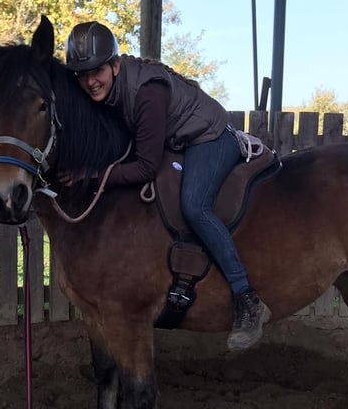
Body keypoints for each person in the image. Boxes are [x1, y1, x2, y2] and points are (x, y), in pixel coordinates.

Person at [64, 20, 270, 351]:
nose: (89, 81)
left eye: (97, 71)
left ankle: (246, 298)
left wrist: (92, 176)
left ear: (115, 65)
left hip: (208, 136)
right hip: (177, 138)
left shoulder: (147, 92)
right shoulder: (108, 91)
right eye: (82, 74)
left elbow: (145, 167)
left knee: (194, 205)